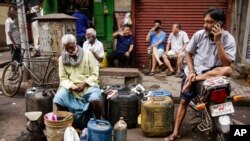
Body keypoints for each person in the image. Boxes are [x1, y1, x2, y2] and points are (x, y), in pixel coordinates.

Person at [164, 8, 236, 141]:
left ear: (220, 24)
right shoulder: (199, 35)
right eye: (204, 22)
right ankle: (176, 133)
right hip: (195, 71)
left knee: (228, 70)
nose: (205, 25)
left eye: (209, 22)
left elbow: (227, 64)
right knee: (184, 101)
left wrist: (218, 41)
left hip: (214, 75)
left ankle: (194, 80)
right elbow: (188, 53)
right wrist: (191, 71)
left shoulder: (228, 39)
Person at [53, 34, 102, 125]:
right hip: (72, 88)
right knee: (58, 99)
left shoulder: (88, 54)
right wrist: (71, 86)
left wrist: (85, 84)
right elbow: (63, 78)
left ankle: (98, 122)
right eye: (67, 49)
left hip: (88, 86)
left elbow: (95, 73)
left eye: (71, 47)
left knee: (95, 100)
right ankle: (71, 121)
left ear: (76, 43)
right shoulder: (62, 59)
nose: (70, 50)